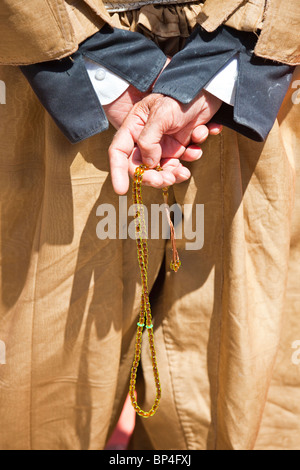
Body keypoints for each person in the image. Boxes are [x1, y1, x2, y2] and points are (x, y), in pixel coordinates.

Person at [0, 0, 299, 450]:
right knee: (43, 402)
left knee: (236, 395)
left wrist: (229, 63)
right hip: (44, 91)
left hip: (257, 85)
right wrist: (94, 61)